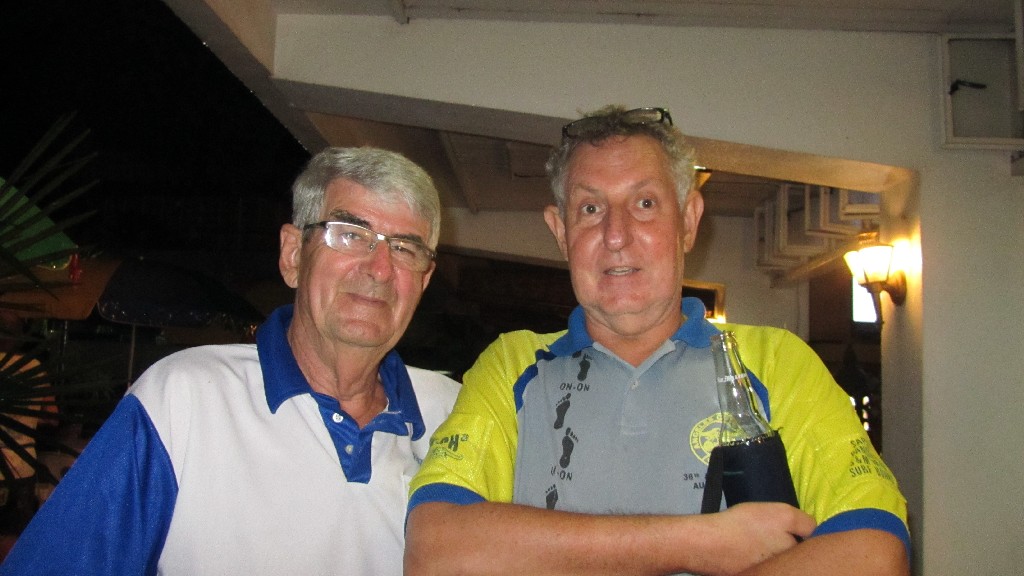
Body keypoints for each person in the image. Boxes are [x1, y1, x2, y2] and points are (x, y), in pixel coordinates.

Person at [404, 106, 910, 576]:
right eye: (590, 209)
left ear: (688, 220)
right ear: (560, 231)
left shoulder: (777, 361)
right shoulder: (512, 364)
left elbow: (874, 552)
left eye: (645, 204)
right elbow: (434, 550)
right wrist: (697, 542)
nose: (616, 234)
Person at [0, 147, 460, 575]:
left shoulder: (456, 413)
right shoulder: (184, 398)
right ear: (293, 255)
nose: (379, 268)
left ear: (423, 280)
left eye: (404, 248)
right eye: (349, 235)